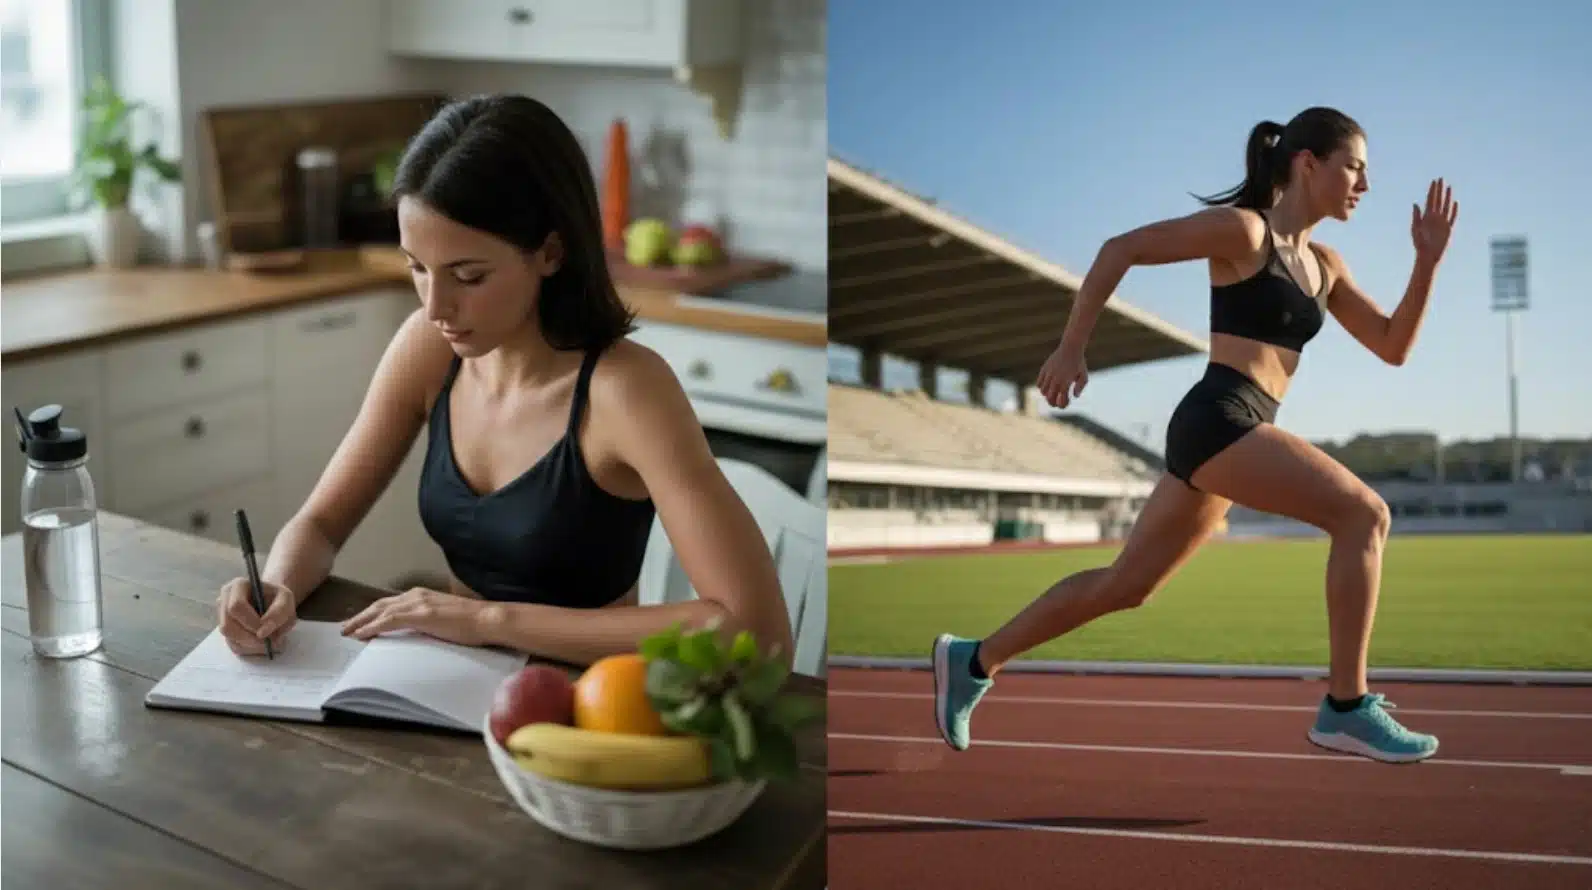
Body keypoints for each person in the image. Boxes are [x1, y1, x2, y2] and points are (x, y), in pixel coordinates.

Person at [932, 107, 1458, 764]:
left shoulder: (1326, 264)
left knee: (1125, 586)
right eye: (1355, 167)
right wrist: (1071, 349)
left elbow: (1392, 345)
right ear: (1308, 163)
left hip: (1241, 428)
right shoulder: (1244, 232)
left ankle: (972, 661)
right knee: (1364, 515)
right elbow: (1119, 248)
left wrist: (1427, 262)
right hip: (1219, 417)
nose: (1365, 185)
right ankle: (1346, 708)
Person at [214, 94, 795, 668]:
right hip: (448, 688)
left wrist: (486, 620)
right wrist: (275, 585)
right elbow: (318, 525)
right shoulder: (428, 348)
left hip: (588, 703)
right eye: (417, 268)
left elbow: (755, 628)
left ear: (550, 251)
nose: (436, 305)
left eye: (468, 275)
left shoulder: (624, 391)